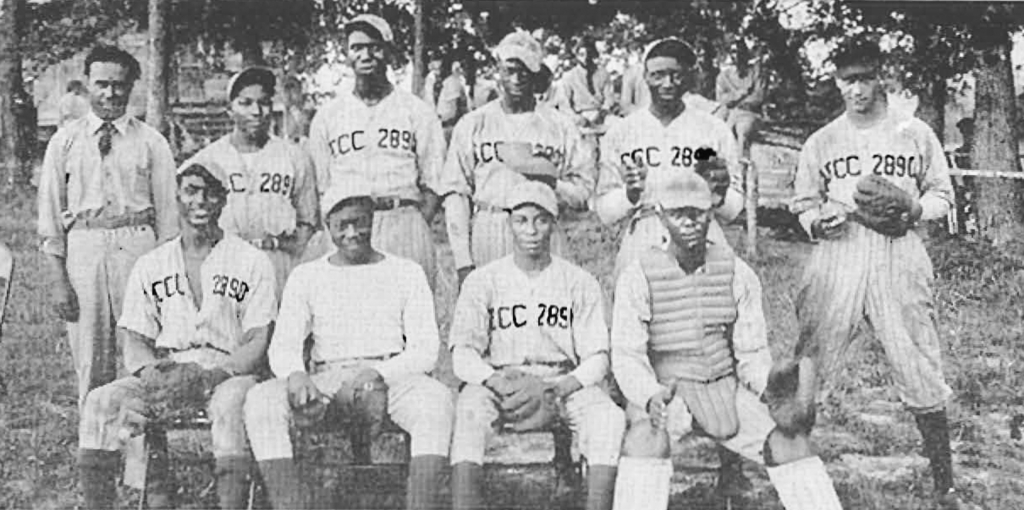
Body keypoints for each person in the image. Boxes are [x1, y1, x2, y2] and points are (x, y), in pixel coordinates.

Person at [789, 37, 960, 509]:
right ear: (837, 80)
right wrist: (814, 220)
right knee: (812, 359)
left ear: (880, 74)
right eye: (848, 79)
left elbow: (943, 195)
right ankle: (791, 469)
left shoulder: (914, 132)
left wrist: (914, 208)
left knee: (918, 360)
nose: (857, 88)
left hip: (897, 250)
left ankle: (944, 484)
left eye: (865, 77)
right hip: (839, 251)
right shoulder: (822, 140)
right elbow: (802, 201)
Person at [610, 171, 843, 510]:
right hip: (667, 390)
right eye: (678, 214)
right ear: (660, 215)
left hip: (722, 384)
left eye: (698, 213)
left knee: (790, 444)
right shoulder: (638, 274)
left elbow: (751, 352)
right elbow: (627, 354)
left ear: (712, 210)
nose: (689, 222)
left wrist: (769, 388)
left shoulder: (736, 272)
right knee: (645, 441)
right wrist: (648, 395)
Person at [76, 161, 277, 510]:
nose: (201, 201)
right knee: (100, 402)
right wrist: (151, 373)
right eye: (191, 191)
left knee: (230, 405)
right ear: (177, 197)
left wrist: (215, 374)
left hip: (228, 371)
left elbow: (259, 337)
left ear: (223, 200)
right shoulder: (152, 263)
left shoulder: (251, 260)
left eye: (211, 192)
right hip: (168, 370)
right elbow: (135, 337)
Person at [244, 176, 453, 510]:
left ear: (373, 220)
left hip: (391, 375)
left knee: (437, 401)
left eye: (360, 223)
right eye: (342, 225)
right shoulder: (307, 275)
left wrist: (377, 373)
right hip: (328, 378)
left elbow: (425, 350)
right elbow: (283, 345)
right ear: (328, 226)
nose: (352, 233)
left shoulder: (406, 271)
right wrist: (296, 374)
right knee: (261, 400)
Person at [449, 180, 624, 510]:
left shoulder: (579, 281)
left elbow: (598, 357)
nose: (531, 230)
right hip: (500, 381)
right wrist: (496, 382)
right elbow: (463, 353)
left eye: (541, 220)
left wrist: (557, 391)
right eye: (522, 220)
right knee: (469, 413)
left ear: (553, 225)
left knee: (609, 418)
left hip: (561, 381)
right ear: (508, 224)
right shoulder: (483, 280)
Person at [37, 45, 178, 406]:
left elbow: (168, 218)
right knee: (90, 351)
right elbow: (51, 217)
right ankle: (96, 446)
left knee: (144, 347)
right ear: (87, 84)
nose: (111, 93)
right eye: (102, 84)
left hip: (138, 246)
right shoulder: (65, 141)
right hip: (85, 246)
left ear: (132, 85)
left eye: (119, 84)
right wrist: (58, 281)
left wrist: (166, 278)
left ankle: (145, 446)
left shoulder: (151, 142)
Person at [439, 30, 595, 288]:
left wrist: (552, 182)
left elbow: (583, 193)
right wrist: (463, 262)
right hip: (491, 223)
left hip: (543, 230)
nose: (516, 78)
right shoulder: (474, 123)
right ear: (497, 70)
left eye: (525, 71)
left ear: (536, 75)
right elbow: (456, 194)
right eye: (509, 69)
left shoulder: (559, 125)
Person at [304, 14, 445, 289]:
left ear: (389, 53)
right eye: (357, 47)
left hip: (401, 219)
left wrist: (412, 222)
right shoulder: (328, 116)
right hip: (350, 227)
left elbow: (433, 183)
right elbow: (323, 187)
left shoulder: (416, 111)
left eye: (375, 47)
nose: (366, 55)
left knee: (408, 319)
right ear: (347, 54)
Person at [595, 38, 744, 278]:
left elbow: (734, 208)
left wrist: (721, 193)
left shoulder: (713, 128)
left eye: (676, 75)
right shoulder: (623, 132)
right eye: (658, 75)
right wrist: (629, 194)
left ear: (688, 77)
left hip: (699, 232)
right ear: (645, 76)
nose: (667, 83)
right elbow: (605, 211)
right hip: (644, 232)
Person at [182, 67, 318, 298]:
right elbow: (183, 213)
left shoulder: (294, 156)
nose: (256, 111)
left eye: (263, 103)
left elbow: (309, 219)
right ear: (229, 110)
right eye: (245, 103)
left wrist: (294, 255)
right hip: (225, 259)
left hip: (277, 259)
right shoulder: (207, 159)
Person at [715, 38, 766, 162]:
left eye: (739, 52)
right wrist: (740, 94)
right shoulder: (724, 76)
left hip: (750, 114)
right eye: (733, 52)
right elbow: (721, 99)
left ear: (745, 54)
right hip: (729, 113)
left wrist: (735, 103)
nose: (736, 55)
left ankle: (741, 174)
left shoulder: (756, 73)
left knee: (742, 132)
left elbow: (758, 97)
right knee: (720, 133)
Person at [558, 37, 616, 128]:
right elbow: (564, 105)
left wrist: (604, 111)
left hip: (601, 114)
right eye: (582, 54)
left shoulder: (603, 73)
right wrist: (577, 118)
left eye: (589, 54)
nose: (585, 58)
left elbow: (609, 97)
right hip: (580, 116)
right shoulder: (569, 76)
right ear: (577, 56)